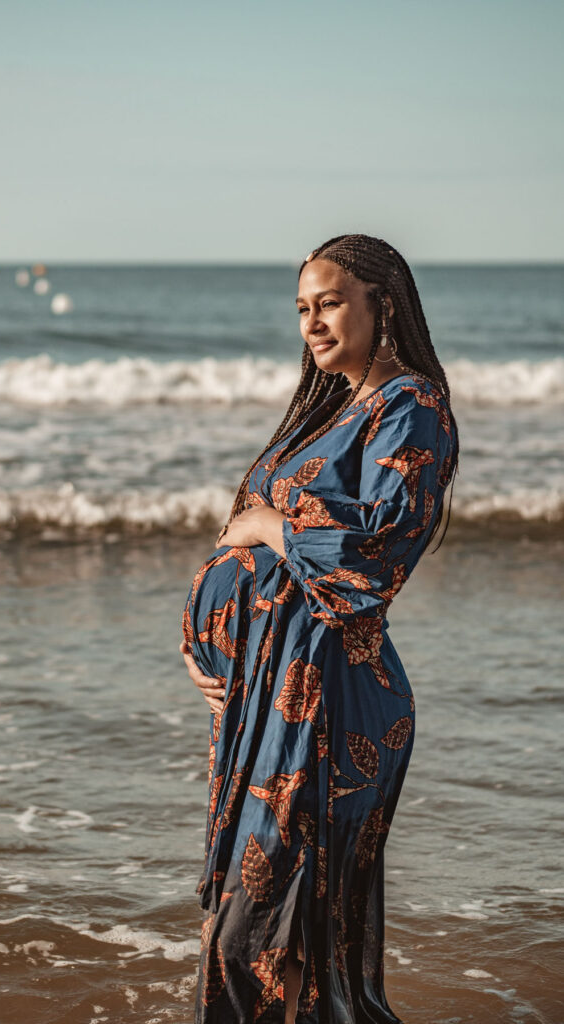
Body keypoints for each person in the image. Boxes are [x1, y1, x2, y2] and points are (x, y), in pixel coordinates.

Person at [179, 234, 460, 1024]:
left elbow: (376, 555)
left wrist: (269, 527)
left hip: (330, 702)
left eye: (329, 302)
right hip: (266, 697)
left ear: (382, 304)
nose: (311, 322)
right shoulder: (331, 410)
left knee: (264, 940)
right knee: (272, 940)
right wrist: (211, 651)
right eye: (302, 307)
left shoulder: (410, 406)